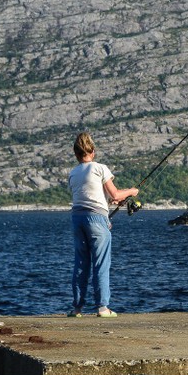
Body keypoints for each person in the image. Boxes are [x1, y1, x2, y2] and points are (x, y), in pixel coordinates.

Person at [67, 132, 138, 318]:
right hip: (96, 220)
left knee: (81, 264)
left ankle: (76, 309)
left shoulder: (73, 172)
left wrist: (108, 204)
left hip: (77, 219)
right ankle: (102, 308)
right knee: (101, 264)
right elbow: (115, 195)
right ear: (93, 151)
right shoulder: (100, 168)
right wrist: (131, 191)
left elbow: (89, 194)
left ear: (76, 153)